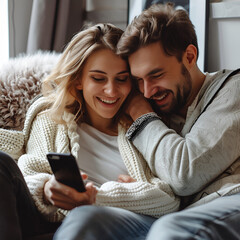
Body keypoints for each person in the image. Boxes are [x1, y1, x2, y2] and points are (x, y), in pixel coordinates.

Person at [0, 23, 180, 240]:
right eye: (98, 78)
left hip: (109, 224)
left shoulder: (143, 126)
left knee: (84, 218)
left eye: (121, 79)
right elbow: (29, 171)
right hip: (45, 221)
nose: (111, 91)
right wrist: (47, 189)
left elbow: (169, 199)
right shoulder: (50, 117)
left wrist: (98, 198)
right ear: (78, 80)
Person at [116, 2, 240, 240]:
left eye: (156, 75)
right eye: (138, 80)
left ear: (190, 56)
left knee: (170, 232)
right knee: (89, 220)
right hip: (171, 213)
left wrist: (141, 113)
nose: (148, 91)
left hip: (229, 201)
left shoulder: (232, 90)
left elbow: (185, 174)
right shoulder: (159, 108)